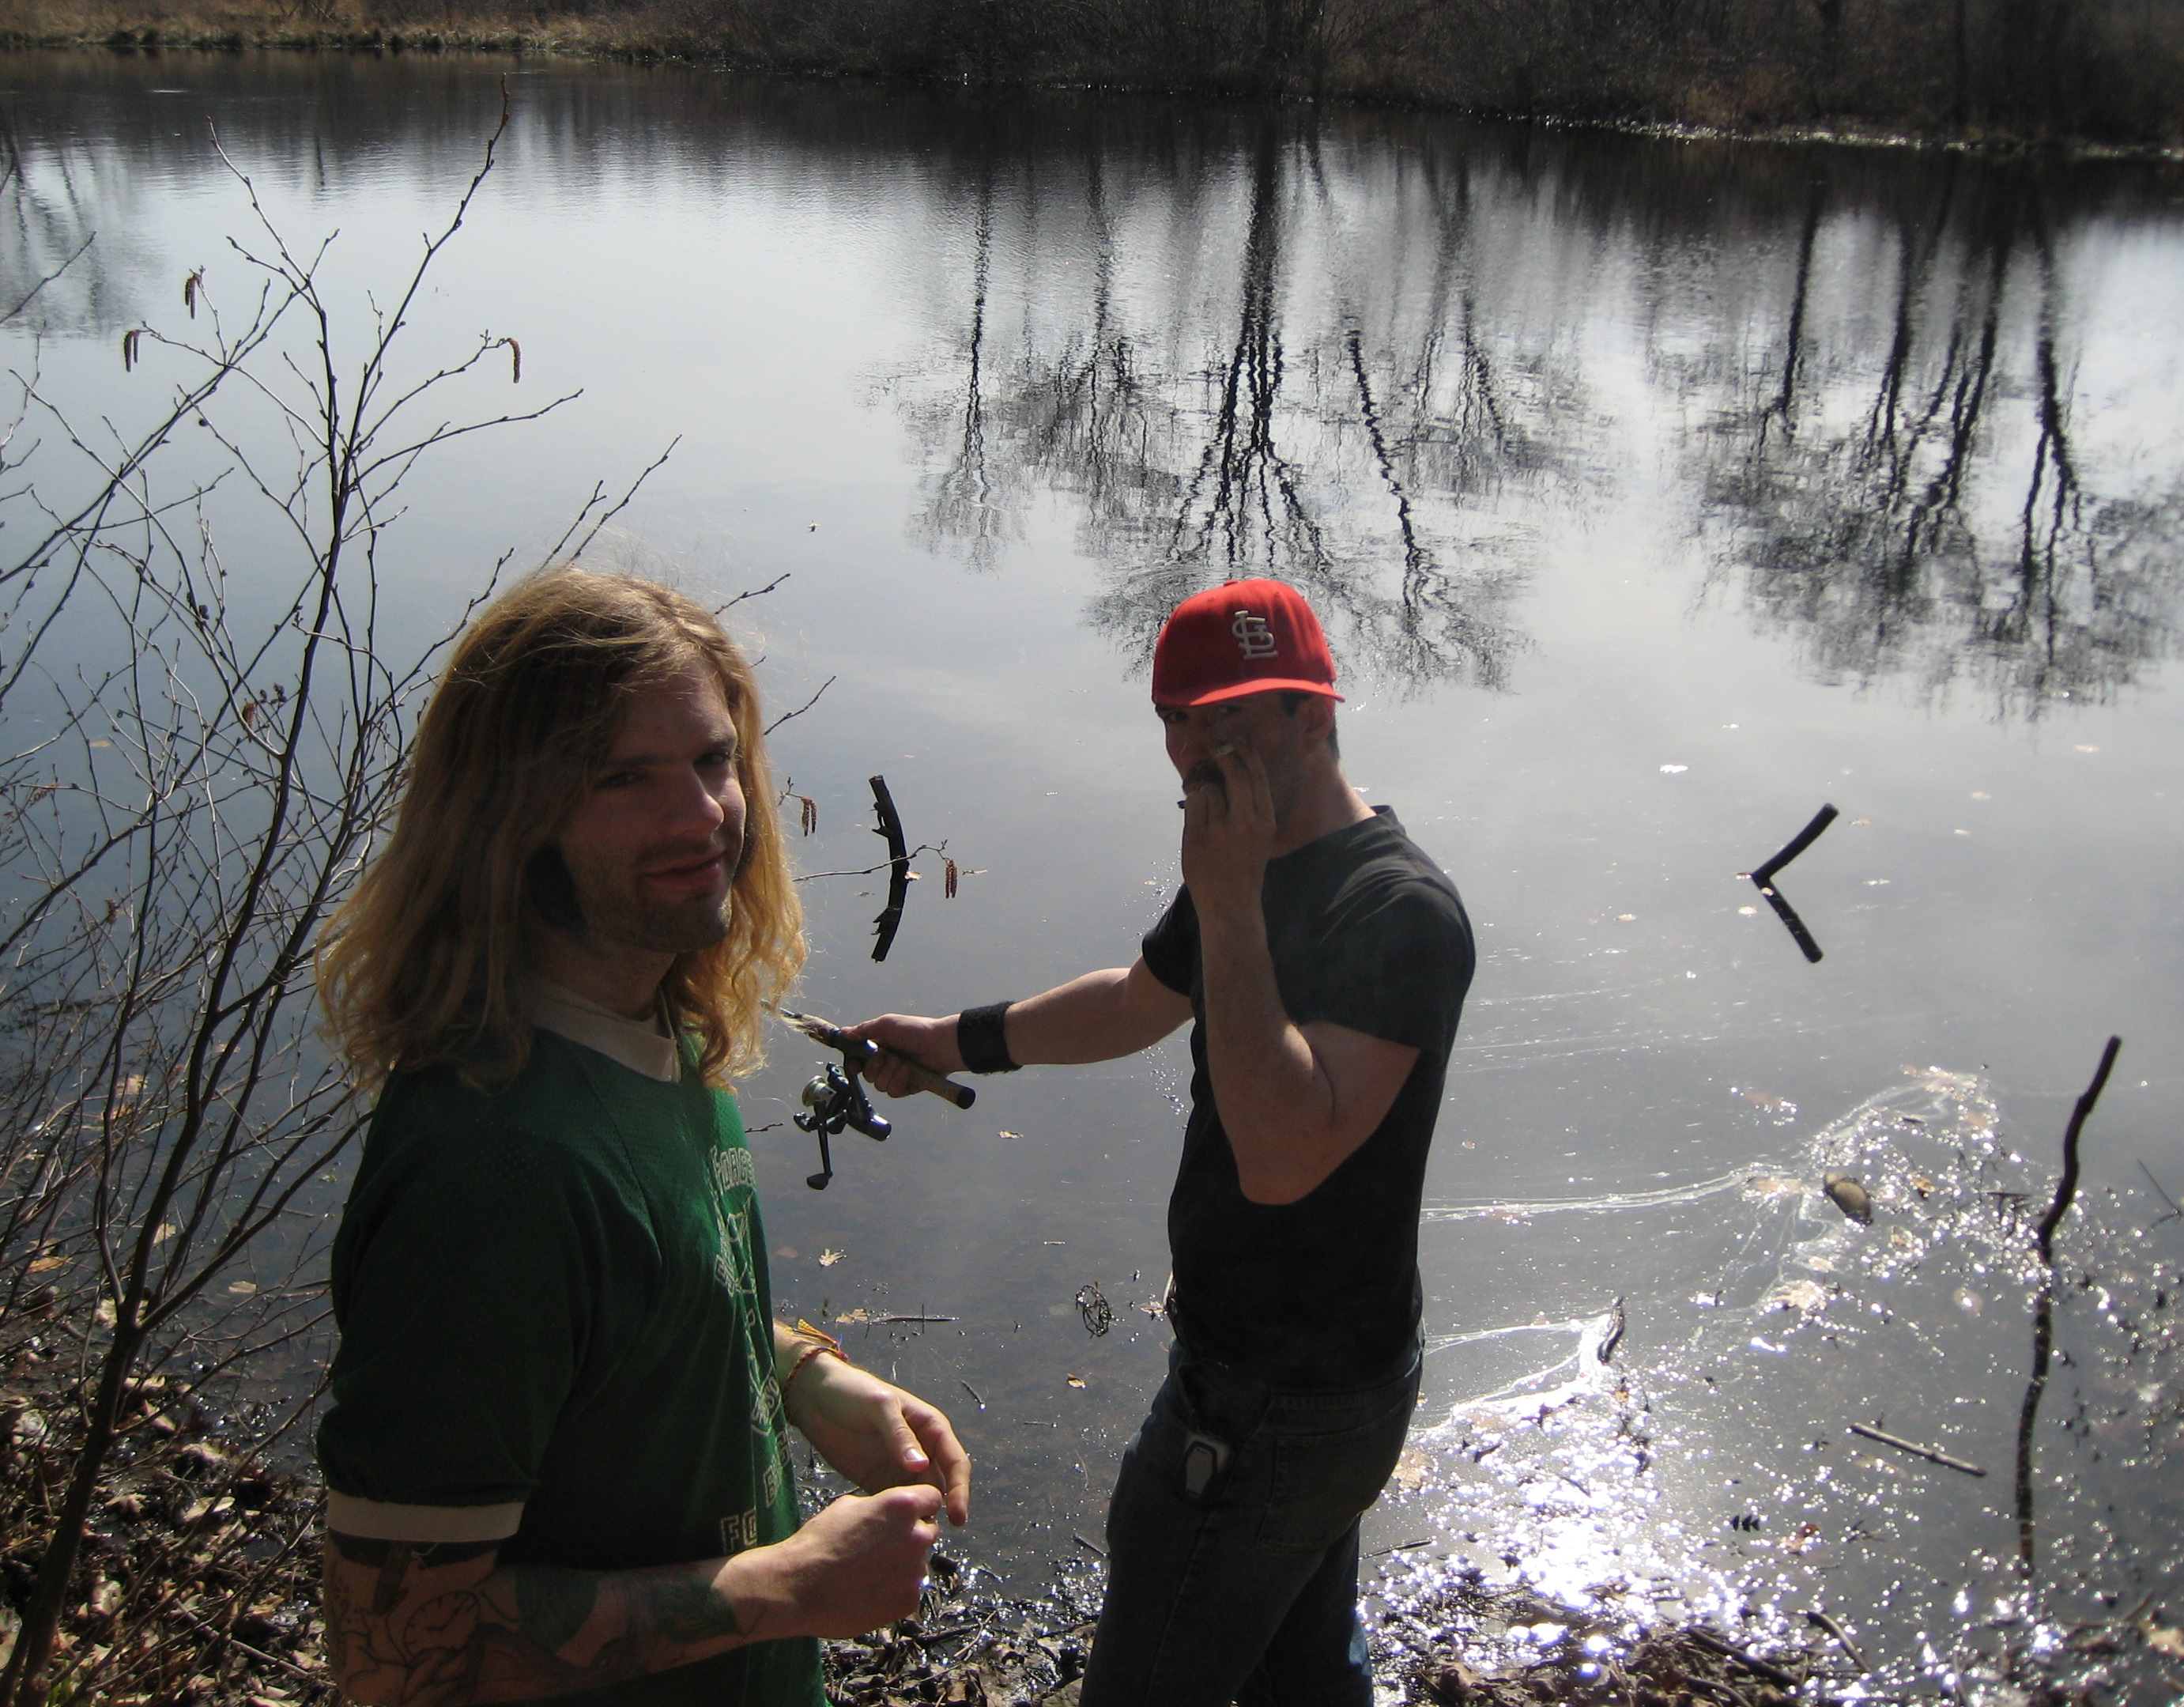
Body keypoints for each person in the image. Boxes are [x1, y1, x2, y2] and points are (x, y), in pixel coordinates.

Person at [312, 568, 971, 1707]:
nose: (702, 817)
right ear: (507, 821)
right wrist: (791, 1588)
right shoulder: (493, 1174)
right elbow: (393, 1659)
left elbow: (637, 1306)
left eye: (714, 762)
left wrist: (806, 1382)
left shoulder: (651, 1026)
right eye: (624, 777)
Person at [853, 578, 1474, 1706]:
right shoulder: (1248, 856)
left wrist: (1229, 904)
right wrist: (953, 1041)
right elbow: (1137, 1002)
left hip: (1283, 1402)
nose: (1197, 750)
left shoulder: (1397, 914)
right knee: (1303, 1670)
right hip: (1281, 1375)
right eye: (1178, 721)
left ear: (1315, 715)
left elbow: (1286, 1155)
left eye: (1232, 715)